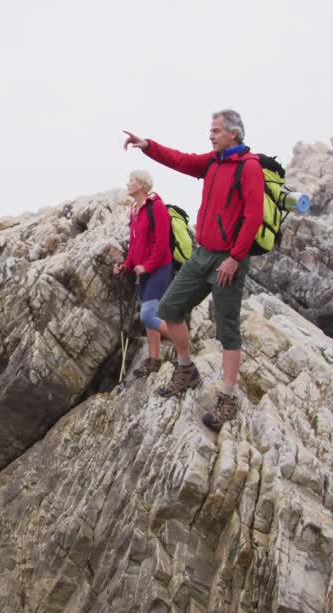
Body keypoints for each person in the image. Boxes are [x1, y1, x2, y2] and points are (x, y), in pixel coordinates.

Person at [121, 109, 263, 431]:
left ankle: (228, 397)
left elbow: (253, 217)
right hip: (202, 255)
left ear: (233, 134)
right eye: (210, 131)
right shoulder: (212, 162)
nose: (210, 136)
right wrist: (147, 145)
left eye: (215, 131)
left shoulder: (249, 167)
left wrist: (235, 257)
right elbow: (181, 161)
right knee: (170, 308)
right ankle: (187, 370)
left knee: (226, 328)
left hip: (229, 260)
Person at [113, 169, 172, 378]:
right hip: (143, 271)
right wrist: (125, 266)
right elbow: (135, 245)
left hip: (159, 269)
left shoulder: (156, 207)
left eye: (131, 180)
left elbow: (162, 245)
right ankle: (154, 360)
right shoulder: (134, 210)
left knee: (147, 314)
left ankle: (183, 342)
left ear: (142, 185)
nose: (128, 184)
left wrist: (147, 266)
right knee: (149, 320)